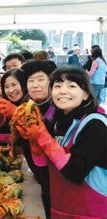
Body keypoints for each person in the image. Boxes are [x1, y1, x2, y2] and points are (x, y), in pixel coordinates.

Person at [16, 66, 107, 218]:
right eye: (57, 86)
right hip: (62, 207)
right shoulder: (59, 123)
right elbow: (45, 173)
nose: (63, 91)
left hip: (91, 210)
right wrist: (35, 146)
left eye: (72, 86)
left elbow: (75, 171)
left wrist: (44, 138)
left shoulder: (95, 124)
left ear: (85, 94)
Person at [20, 60, 58, 218]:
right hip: (38, 170)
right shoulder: (27, 104)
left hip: (56, 175)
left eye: (41, 79)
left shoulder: (59, 107)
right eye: (31, 81)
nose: (35, 85)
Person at [0, 69, 29, 145]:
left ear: (23, 84)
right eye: (6, 87)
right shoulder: (5, 105)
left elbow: (30, 138)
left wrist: (2, 137)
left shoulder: (31, 105)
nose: (10, 90)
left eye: (14, 85)